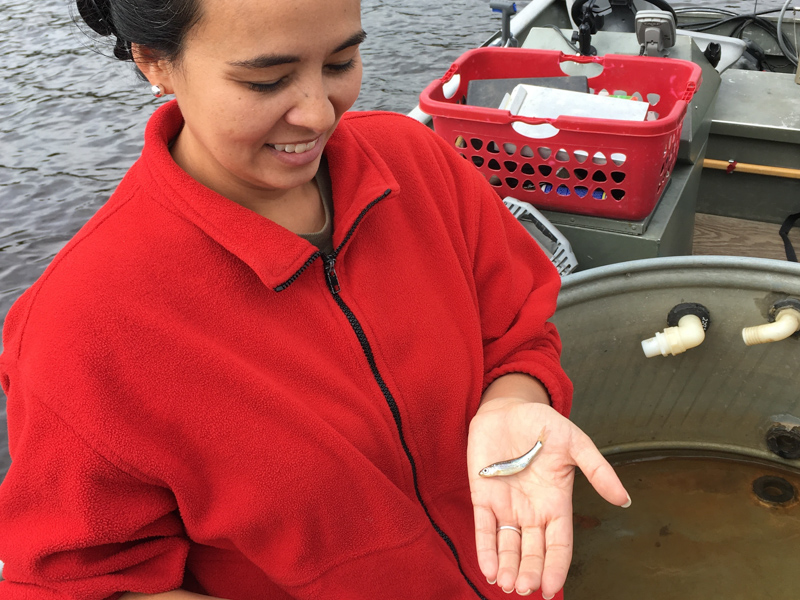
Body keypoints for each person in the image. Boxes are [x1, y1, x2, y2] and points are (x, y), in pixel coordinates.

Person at [0, 0, 631, 598]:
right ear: (154, 62)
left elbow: (518, 332)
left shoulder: (420, 165)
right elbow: (77, 582)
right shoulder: (82, 326)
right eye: (266, 81)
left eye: (338, 64)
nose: (319, 114)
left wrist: (513, 401)